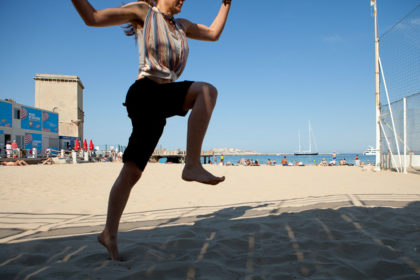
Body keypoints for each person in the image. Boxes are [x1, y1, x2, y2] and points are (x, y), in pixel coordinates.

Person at [71, 0, 231, 260]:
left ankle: (108, 234)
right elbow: (93, 17)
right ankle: (191, 165)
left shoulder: (182, 25)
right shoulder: (145, 12)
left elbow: (213, 33)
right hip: (145, 93)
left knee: (132, 171)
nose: (182, 0)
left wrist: (226, 4)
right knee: (205, 90)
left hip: (163, 95)